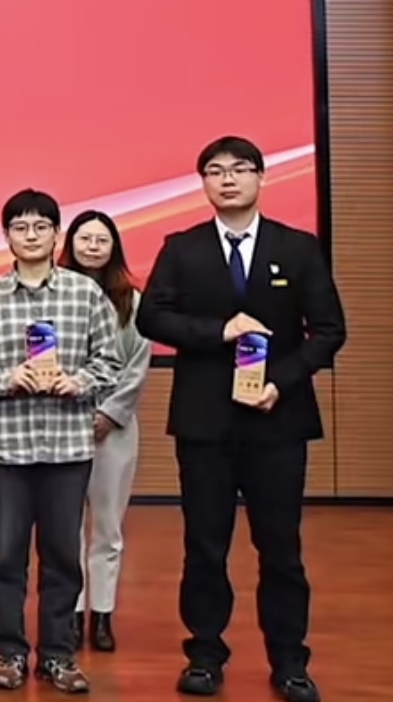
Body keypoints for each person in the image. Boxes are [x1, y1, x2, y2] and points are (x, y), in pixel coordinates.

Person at [136, 137, 346, 702]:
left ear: (261, 177)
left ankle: (290, 662)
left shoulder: (297, 247)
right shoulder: (181, 248)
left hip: (277, 421)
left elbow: (329, 330)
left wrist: (283, 381)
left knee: (281, 548)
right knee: (205, 546)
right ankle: (205, 655)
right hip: (205, 422)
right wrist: (218, 331)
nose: (227, 179)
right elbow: (152, 317)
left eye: (239, 169)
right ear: (203, 182)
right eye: (214, 171)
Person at [0, 189, 123, 694]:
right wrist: (6, 378)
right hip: (5, 448)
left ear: (56, 235)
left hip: (67, 448)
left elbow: (110, 360)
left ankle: (58, 656)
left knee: (62, 558)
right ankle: (9, 653)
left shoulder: (85, 294)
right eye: (20, 227)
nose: (31, 236)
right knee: (6, 558)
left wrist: (79, 381)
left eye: (41, 227)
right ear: (6, 236)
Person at [61, 210, 150, 654]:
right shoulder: (55, 292)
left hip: (113, 428)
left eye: (102, 240)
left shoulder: (131, 300)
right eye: (85, 238)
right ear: (70, 243)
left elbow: (137, 364)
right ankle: (72, 613)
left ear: (114, 246)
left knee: (108, 526)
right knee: (66, 526)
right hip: (61, 421)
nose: (93, 246)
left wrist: (110, 413)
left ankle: (103, 615)